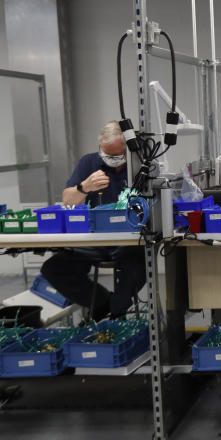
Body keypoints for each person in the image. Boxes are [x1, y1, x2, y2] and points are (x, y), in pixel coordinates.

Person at [40, 122, 145, 320]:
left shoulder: (140, 166)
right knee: (53, 268)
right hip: (95, 240)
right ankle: (101, 302)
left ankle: (117, 309)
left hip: (130, 241)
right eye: (107, 155)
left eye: (117, 156)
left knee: (139, 261)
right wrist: (84, 187)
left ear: (128, 150)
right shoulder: (89, 164)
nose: (112, 160)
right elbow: (68, 201)